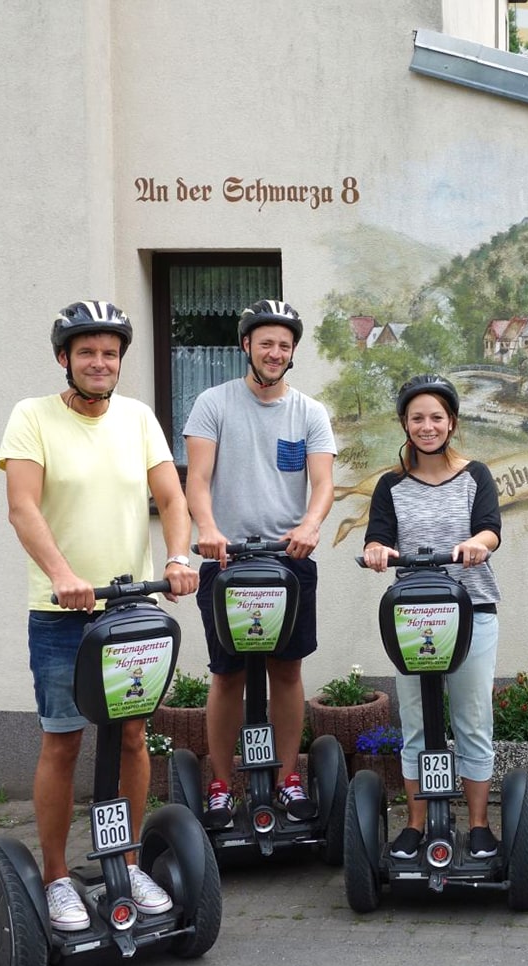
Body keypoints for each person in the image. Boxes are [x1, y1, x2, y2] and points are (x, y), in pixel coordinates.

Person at [0, 300, 199, 931]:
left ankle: (130, 861)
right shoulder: (31, 418)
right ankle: (58, 876)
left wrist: (178, 555)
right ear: (65, 358)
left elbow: (170, 494)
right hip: (62, 614)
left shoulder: (139, 418)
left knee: (134, 736)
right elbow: (23, 507)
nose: (99, 362)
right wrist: (62, 574)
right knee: (63, 741)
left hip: (130, 609)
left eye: (109, 353)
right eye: (86, 351)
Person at [184, 299, 337, 828]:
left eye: (284, 345)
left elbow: (322, 485)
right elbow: (197, 480)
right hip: (226, 560)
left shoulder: (310, 412)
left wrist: (311, 524)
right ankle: (223, 784)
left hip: (286, 561)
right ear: (246, 345)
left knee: (287, 672)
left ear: (293, 353)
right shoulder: (213, 403)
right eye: (265, 342)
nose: (275, 353)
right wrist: (206, 528)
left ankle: (288, 777)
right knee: (226, 676)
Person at [359, 374, 504, 860]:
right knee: (418, 723)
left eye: (436, 417)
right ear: (405, 423)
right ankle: (417, 823)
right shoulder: (391, 486)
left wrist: (475, 545)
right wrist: (378, 552)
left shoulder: (475, 475)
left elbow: (490, 530)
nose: (427, 426)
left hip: (472, 612)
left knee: (472, 718)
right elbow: (376, 539)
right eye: (417, 417)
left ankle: (480, 825)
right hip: (414, 616)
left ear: (452, 423)